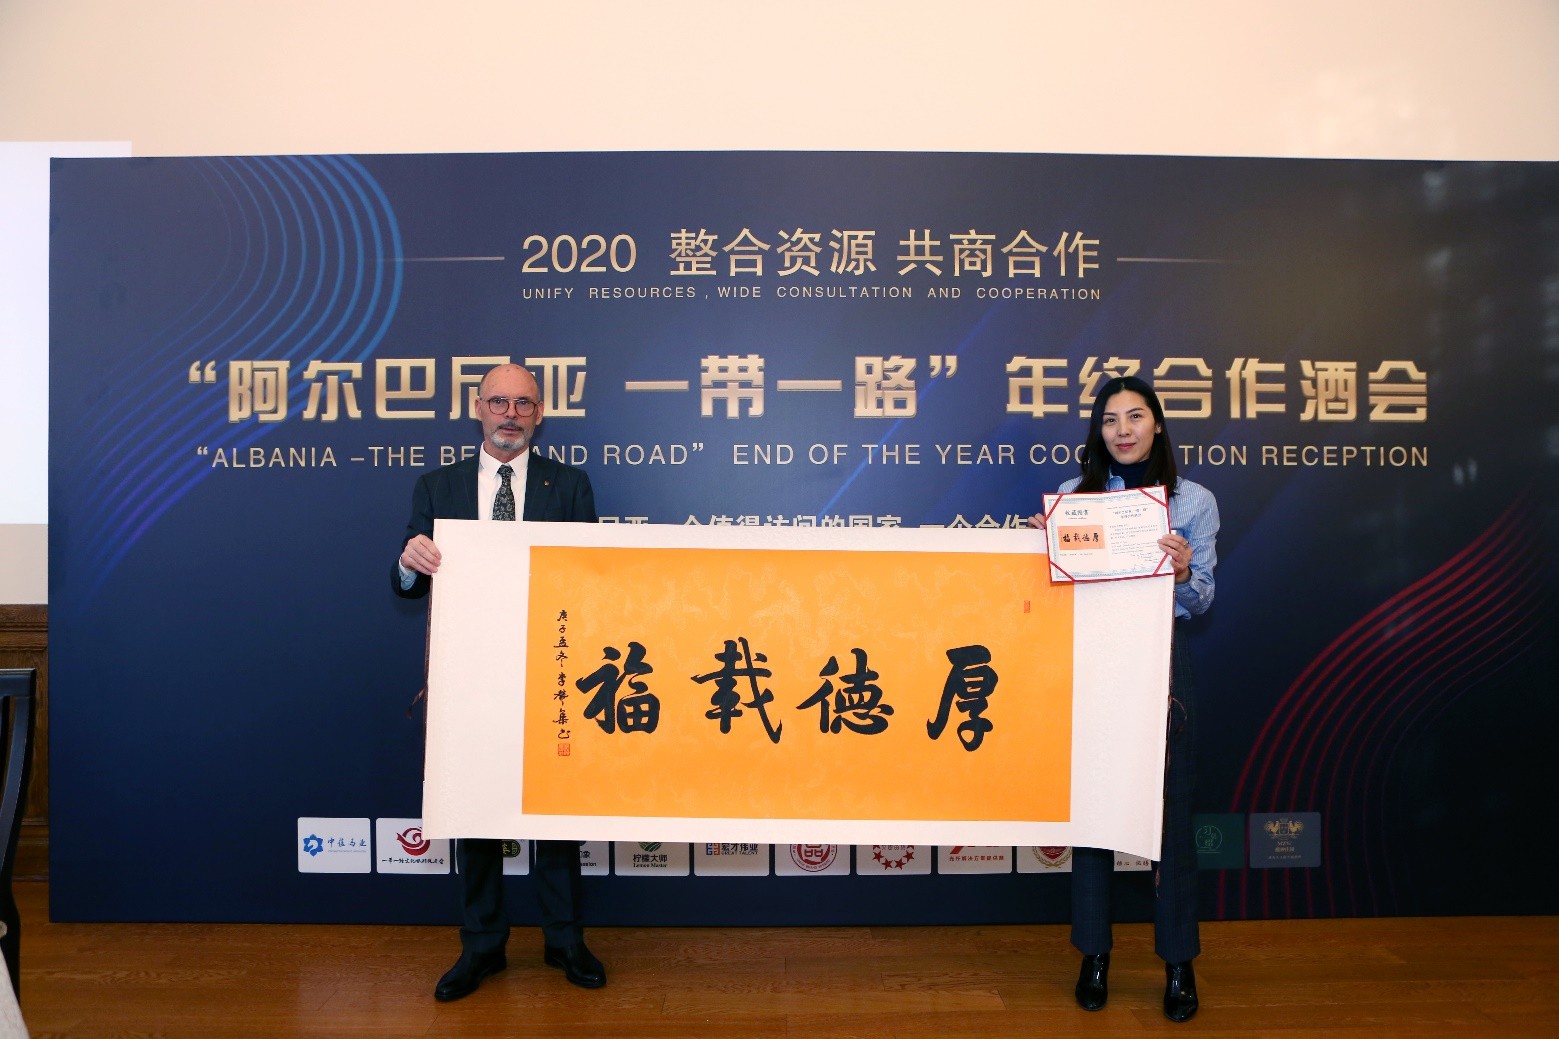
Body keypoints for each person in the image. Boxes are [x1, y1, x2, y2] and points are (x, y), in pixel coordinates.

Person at [393, 363, 605, 1002]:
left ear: (540, 414)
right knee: (475, 810)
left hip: (550, 669)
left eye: (523, 403)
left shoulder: (570, 485)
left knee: (556, 813)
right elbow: (407, 583)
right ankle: (482, 945)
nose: (510, 414)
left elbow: (589, 580)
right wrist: (409, 563)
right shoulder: (438, 487)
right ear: (477, 407)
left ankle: (564, 939)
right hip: (469, 675)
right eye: (499, 402)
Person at [1028, 375, 1218, 1023]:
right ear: (1098, 431)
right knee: (1094, 817)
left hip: (1163, 661)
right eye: (1110, 420)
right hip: (1095, 664)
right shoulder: (1075, 498)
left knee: (1172, 817)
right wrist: (1041, 549)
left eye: (1135, 416)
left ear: (1157, 423)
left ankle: (1178, 962)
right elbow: (1058, 595)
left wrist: (1183, 570)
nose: (1123, 430)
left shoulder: (1193, 500)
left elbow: (1202, 599)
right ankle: (1094, 954)